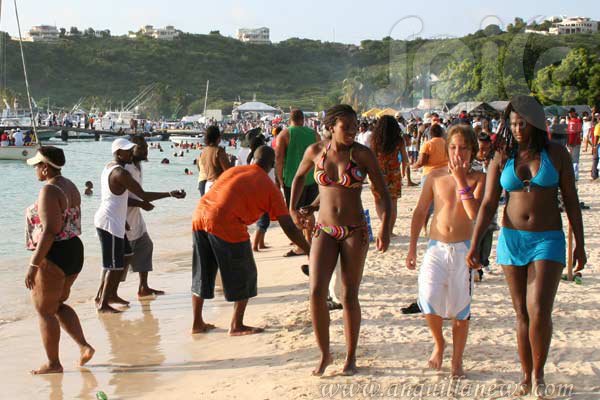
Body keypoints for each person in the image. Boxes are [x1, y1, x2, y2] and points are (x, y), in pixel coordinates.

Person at [467, 95, 586, 396]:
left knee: (539, 310)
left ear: (536, 123)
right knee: (521, 312)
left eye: (523, 124)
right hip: (512, 239)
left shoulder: (556, 154)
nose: (518, 129)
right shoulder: (502, 155)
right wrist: (474, 243)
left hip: (548, 239)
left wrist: (580, 245)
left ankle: (539, 375)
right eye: (513, 124)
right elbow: (488, 203)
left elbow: (571, 200)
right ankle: (525, 375)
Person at [290, 104, 391, 376]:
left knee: (348, 294)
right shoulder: (315, 152)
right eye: (346, 126)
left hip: (354, 230)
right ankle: (324, 354)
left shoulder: (362, 155)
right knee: (315, 292)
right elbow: (298, 178)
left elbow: (383, 193)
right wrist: (292, 209)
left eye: (355, 126)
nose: (352, 131)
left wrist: (385, 227)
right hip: (324, 229)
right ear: (331, 127)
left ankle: (350, 357)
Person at [191, 146, 311, 335]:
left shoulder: (233, 171)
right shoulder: (269, 187)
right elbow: (288, 226)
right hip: (226, 222)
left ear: (252, 159)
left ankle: (197, 323)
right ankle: (236, 325)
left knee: (202, 273)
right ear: (272, 165)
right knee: (246, 274)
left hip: (199, 216)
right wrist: (309, 249)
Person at [406, 124, 485, 378]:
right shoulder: (435, 177)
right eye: (453, 147)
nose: (457, 153)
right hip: (436, 247)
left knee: (461, 309)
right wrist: (412, 248)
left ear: (472, 150)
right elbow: (420, 211)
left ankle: (457, 360)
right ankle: (439, 343)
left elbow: (474, 213)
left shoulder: (479, 179)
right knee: (428, 298)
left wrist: (461, 180)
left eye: (463, 148)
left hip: (463, 250)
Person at [24, 147, 95, 374]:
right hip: (73, 249)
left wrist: (33, 265)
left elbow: (50, 230)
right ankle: (84, 346)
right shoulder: (70, 185)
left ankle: (54, 363)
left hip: (54, 253)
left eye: (37, 165)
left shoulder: (49, 190)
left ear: (45, 167)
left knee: (44, 310)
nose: (35, 169)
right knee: (57, 305)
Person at [94, 138, 185, 313]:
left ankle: (112, 294)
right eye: (127, 150)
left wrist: (124, 219)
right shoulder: (120, 172)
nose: (131, 152)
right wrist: (169, 194)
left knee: (127, 255)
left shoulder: (112, 167)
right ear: (118, 153)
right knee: (113, 264)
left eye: (131, 149)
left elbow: (117, 198)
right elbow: (143, 195)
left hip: (118, 220)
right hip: (109, 221)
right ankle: (102, 302)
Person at [275, 109, 320, 257]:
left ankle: (300, 245)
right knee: (308, 210)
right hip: (311, 178)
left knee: (294, 211)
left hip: (292, 179)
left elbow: (279, 158)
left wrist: (279, 178)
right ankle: (309, 240)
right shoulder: (314, 134)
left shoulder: (284, 134)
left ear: (290, 120)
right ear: (303, 119)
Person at [370, 115, 409, 235]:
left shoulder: (375, 140)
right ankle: (390, 231)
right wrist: (403, 172)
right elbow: (405, 158)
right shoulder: (399, 140)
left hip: (378, 173)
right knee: (393, 202)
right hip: (394, 173)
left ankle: (384, 226)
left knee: (378, 200)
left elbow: (371, 157)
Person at [199, 126, 231, 193]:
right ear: (218, 138)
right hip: (218, 186)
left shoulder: (204, 151)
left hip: (208, 185)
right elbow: (228, 171)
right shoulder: (219, 151)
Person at [566, 108, 582, 180]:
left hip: (575, 143)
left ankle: (575, 175)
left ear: (574, 112)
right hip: (570, 143)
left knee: (575, 159)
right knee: (571, 160)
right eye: (569, 113)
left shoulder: (577, 120)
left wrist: (574, 142)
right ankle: (572, 175)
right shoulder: (570, 121)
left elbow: (578, 133)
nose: (570, 114)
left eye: (571, 112)